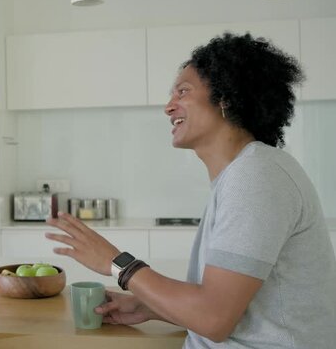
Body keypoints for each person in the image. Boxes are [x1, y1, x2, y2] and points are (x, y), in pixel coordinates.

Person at [45, 32, 336, 348]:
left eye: (182, 92)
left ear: (226, 97)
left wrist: (118, 264)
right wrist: (148, 306)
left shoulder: (256, 176)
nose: (168, 107)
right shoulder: (243, 173)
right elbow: (228, 308)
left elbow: (213, 319)